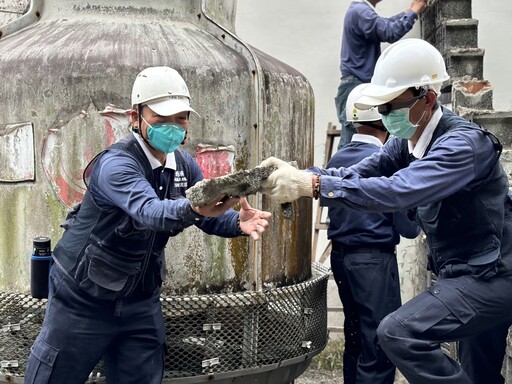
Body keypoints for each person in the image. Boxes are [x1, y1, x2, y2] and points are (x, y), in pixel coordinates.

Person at [261, 38, 512, 384]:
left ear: (427, 98)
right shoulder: (406, 143)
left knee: (398, 332)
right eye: (381, 109)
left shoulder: (462, 146)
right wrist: (304, 176)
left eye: (392, 106)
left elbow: (399, 190)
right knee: (478, 375)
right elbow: (359, 173)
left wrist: (314, 187)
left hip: (496, 275)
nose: (385, 116)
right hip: (466, 274)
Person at [24, 66, 272, 384]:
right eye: (161, 117)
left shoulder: (183, 165)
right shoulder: (116, 164)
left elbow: (205, 216)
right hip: (83, 298)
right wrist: (197, 206)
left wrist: (236, 222)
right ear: (135, 116)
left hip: (140, 300)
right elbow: (150, 211)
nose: (173, 126)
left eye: (181, 118)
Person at [328, 83, 420, 384]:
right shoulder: (386, 163)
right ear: (382, 118)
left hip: (341, 257)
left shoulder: (337, 160)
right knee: (379, 345)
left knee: (355, 336)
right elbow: (407, 227)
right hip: (373, 263)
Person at [335, 0, 427, 149]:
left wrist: (408, 11)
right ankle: (344, 172)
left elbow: (384, 23)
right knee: (352, 142)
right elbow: (388, 31)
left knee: (356, 142)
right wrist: (415, 9)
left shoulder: (360, 10)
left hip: (355, 83)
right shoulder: (360, 10)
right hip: (356, 84)